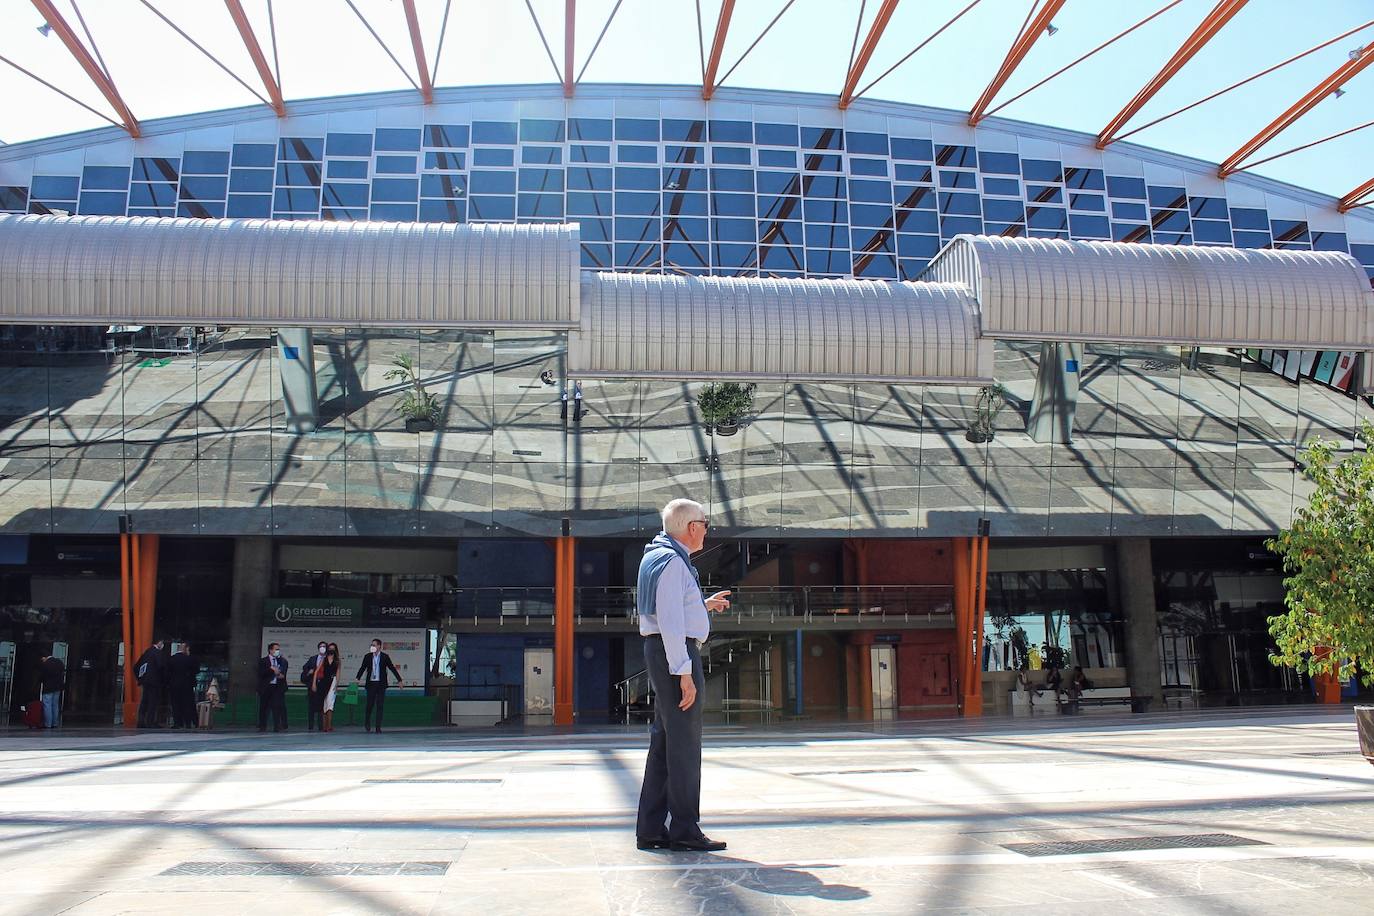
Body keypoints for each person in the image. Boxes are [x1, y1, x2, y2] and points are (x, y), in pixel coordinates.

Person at [635, 498, 733, 853]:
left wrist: (702, 606)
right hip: (673, 652)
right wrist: (684, 671)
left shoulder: (655, 556)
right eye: (705, 524)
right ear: (692, 527)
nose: (707, 529)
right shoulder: (673, 563)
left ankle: (650, 828)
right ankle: (685, 830)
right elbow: (671, 622)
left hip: (662, 650)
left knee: (664, 744)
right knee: (685, 747)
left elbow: (670, 608)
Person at [355, 638, 404, 732]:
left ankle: (378, 727)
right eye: (371, 645)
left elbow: (392, 668)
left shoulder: (385, 657)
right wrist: (358, 678)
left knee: (380, 705)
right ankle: (367, 722)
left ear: (379, 646)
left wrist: (399, 680)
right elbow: (362, 668)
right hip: (371, 683)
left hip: (381, 684)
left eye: (374, 645)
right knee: (369, 705)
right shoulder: (368, 656)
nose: (372, 646)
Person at [134, 638, 168, 728]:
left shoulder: (147, 652)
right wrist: (164, 680)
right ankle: (150, 721)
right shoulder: (158, 653)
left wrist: (140, 678)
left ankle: (141, 721)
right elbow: (161, 666)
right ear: (159, 642)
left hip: (146, 681)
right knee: (153, 702)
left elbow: (136, 666)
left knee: (144, 701)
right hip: (155, 681)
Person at [167, 643, 200, 729]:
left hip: (174, 685)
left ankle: (177, 723)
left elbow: (167, 672)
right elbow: (196, 670)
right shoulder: (189, 659)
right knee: (187, 703)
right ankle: (188, 722)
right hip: (187, 685)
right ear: (186, 649)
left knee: (175, 704)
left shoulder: (172, 659)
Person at [258, 643, 289, 732]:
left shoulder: (282, 661)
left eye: (278, 649)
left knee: (276, 706)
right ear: (270, 650)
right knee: (264, 706)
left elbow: (282, 673)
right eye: (275, 649)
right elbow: (261, 673)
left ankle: (277, 725)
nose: (277, 651)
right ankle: (262, 725)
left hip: (277, 686)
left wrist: (278, 673)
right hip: (266, 686)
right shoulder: (263, 661)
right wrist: (271, 670)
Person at [301, 640, 330, 731]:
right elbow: (305, 668)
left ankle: (321, 726)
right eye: (321, 646)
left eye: (324, 647)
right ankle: (310, 725)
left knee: (322, 707)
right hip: (312, 685)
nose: (322, 648)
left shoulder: (329, 659)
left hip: (323, 685)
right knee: (311, 706)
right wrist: (309, 672)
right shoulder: (313, 658)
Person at [38, 653, 65, 729]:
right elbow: (62, 672)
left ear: (44, 657)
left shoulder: (46, 664)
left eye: (42, 659)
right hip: (58, 687)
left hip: (48, 687)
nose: (42, 661)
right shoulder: (59, 662)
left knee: (47, 705)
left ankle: (48, 724)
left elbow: (42, 675)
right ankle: (55, 723)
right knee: (55, 705)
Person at [322, 642, 342, 731]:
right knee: (324, 704)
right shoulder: (324, 659)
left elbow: (338, 672)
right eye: (330, 649)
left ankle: (329, 725)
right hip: (324, 682)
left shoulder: (337, 661)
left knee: (330, 703)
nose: (331, 650)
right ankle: (324, 725)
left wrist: (337, 684)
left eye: (333, 649)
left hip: (332, 681)